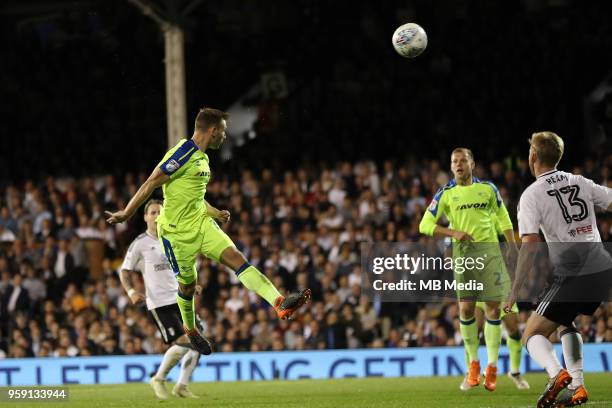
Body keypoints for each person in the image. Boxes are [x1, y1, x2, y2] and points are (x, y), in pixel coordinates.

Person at [106, 107, 311, 354]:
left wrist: (214, 212)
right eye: (222, 132)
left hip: (202, 224)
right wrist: (127, 213)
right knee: (187, 287)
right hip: (175, 234)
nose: (224, 136)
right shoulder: (182, 153)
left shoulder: (203, 158)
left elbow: (195, 197)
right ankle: (191, 330)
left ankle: (278, 302)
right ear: (212, 130)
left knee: (237, 259)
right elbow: (152, 181)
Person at [505, 131, 612, 408]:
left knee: (532, 334)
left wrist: (515, 289)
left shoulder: (531, 194)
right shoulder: (578, 181)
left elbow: (529, 245)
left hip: (574, 272)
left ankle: (556, 375)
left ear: (533, 156)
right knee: (566, 321)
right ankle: (577, 386)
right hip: (602, 269)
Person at [420, 147, 519, 392]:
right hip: (464, 259)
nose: (458, 164)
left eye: (463, 160)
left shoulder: (488, 189)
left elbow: (504, 218)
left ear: (472, 163)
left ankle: (492, 366)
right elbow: (425, 224)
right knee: (465, 309)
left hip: (491, 256)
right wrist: (452, 232)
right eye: (455, 161)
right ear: (451, 166)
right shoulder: (445, 193)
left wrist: (514, 249)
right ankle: (474, 363)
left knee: (494, 309)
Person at [119, 199, 199, 399]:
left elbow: (180, 267)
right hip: (159, 302)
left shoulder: (172, 239)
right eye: (152, 212)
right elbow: (125, 271)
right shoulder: (140, 243)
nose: (156, 216)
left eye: (159, 212)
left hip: (181, 298)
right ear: (146, 217)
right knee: (184, 341)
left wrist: (191, 284)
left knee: (199, 341)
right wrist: (131, 292)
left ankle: (181, 385)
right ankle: (158, 378)